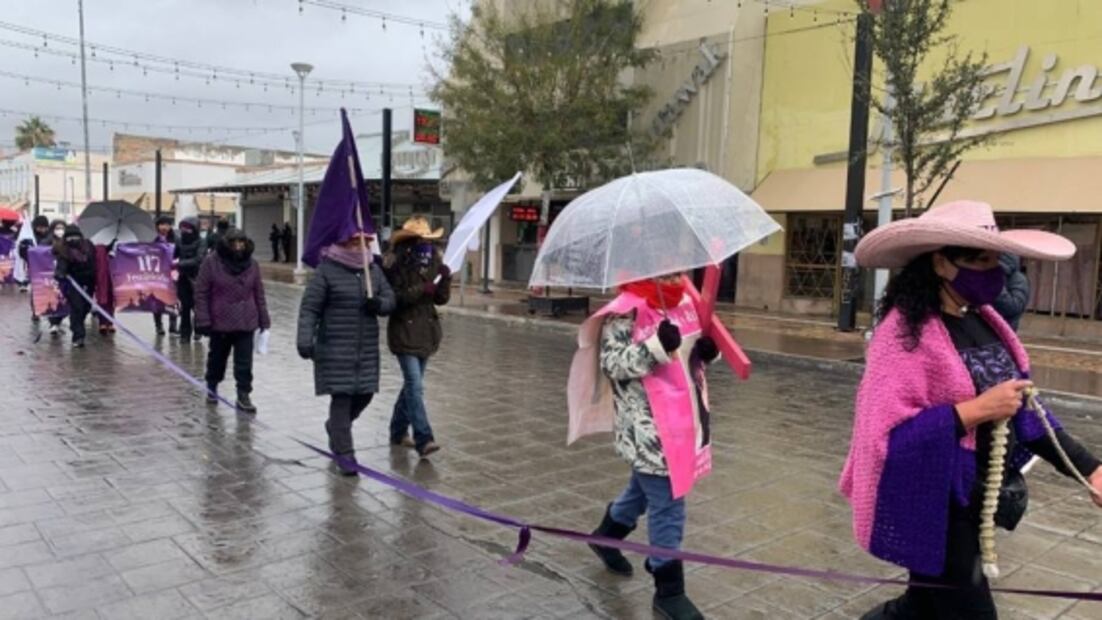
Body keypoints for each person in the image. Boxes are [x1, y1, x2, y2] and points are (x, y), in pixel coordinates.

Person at [839, 201, 1102, 620]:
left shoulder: (986, 320)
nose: (992, 271)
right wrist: (972, 411)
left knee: (921, 607)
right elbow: (886, 438)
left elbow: (1026, 412)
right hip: (936, 505)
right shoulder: (903, 334)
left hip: (975, 497)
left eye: (996, 260)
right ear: (941, 263)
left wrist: (1089, 468)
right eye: (980, 260)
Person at [576, 272, 718, 620]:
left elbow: (687, 357)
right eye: (663, 268)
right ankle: (669, 590)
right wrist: (654, 347)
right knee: (668, 504)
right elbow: (612, 363)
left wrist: (705, 352)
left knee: (643, 490)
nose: (671, 273)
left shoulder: (682, 303)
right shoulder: (623, 312)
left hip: (683, 420)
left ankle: (607, 535)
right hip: (648, 429)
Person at [297, 232, 396, 475]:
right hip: (335, 347)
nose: (360, 246)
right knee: (342, 398)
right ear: (343, 243)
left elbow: (390, 299)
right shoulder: (326, 270)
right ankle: (345, 454)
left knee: (365, 395)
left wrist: (379, 304)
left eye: (364, 242)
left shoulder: (372, 270)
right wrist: (305, 339)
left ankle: (335, 428)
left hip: (365, 349)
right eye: (354, 242)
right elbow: (310, 308)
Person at [382, 216, 452, 458]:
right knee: (415, 385)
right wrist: (422, 288)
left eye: (428, 239)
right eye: (421, 239)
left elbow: (441, 299)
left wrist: (445, 278)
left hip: (426, 333)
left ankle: (397, 431)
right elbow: (395, 298)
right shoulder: (395, 264)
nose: (426, 244)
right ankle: (424, 438)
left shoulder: (434, 261)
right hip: (404, 331)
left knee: (412, 386)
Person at [194, 228, 269, 413]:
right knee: (217, 359)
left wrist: (264, 321)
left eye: (241, 242)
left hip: (246, 320)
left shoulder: (252, 264)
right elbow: (201, 292)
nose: (238, 246)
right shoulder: (211, 262)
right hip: (220, 321)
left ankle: (243, 394)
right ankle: (212, 386)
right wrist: (203, 319)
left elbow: (259, 293)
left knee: (244, 363)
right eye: (234, 242)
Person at [53, 225, 97, 348]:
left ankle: (78, 325)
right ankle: (78, 336)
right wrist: (60, 274)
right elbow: (61, 266)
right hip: (73, 283)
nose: (73, 240)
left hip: (89, 281)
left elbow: (96, 258)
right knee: (77, 307)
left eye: (75, 237)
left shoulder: (89, 246)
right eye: (70, 238)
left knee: (86, 307)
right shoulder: (64, 250)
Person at [175, 218, 204, 341]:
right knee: (185, 307)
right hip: (183, 278)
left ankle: (198, 329)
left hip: (197, 278)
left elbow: (199, 259)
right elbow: (173, 254)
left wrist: (179, 264)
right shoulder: (179, 241)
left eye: (188, 228)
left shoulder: (201, 242)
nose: (185, 230)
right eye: (183, 227)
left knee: (197, 306)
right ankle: (185, 334)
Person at [18, 216, 52, 317]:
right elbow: (22, 253)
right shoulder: (30, 238)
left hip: (48, 267)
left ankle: (50, 310)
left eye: (44, 227)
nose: (42, 230)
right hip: (35, 268)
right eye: (40, 227)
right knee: (37, 290)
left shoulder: (51, 237)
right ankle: (35, 311)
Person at [152, 216, 178, 336]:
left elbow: (179, 253)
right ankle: (158, 325)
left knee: (172, 299)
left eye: (167, 225)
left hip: (171, 273)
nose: (164, 227)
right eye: (162, 224)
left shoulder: (175, 239)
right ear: (157, 226)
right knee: (157, 300)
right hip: (157, 274)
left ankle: (173, 325)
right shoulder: (153, 239)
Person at [994, 253, 1030, 331]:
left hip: (1003, 330)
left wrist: (995, 287)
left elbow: (1014, 307)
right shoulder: (985, 273)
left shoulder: (1018, 279)